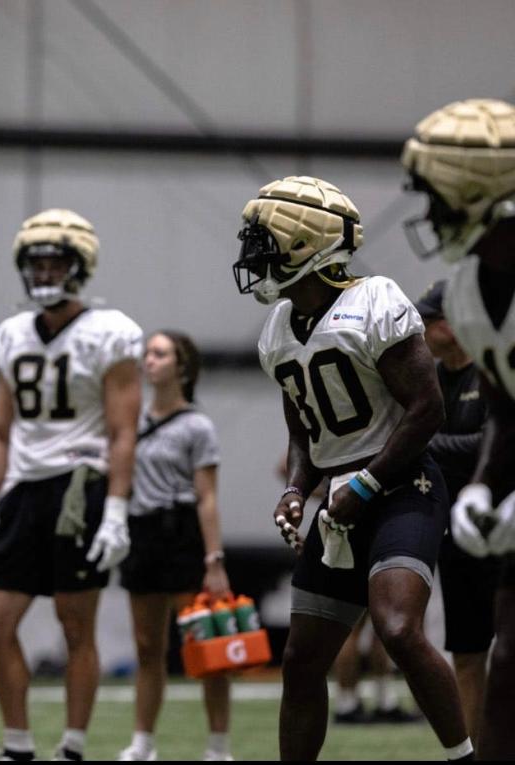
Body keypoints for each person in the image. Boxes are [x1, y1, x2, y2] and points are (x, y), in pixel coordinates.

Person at [232, 175, 471, 760]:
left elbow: (428, 409)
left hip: (401, 487)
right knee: (301, 660)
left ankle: (465, 756)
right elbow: (304, 430)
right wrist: (296, 487)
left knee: (397, 629)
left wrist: (365, 482)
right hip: (341, 499)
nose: (254, 254)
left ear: (306, 245)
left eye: (266, 241)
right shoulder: (278, 329)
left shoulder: (375, 300)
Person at [0, 208, 143, 761]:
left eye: (55, 261)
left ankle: (72, 746)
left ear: (79, 266)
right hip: (24, 490)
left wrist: (116, 510)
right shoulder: (12, 332)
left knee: (76, 627)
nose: (44, 272)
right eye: (36, 262)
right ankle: (19, 744)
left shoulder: (110, 332)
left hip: (80, 487)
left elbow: (123, 433)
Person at [401, 98, 515, 758]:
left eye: (440, 194)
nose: (431, 211)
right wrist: (485, 483)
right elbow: (507, 412)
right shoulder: (469, 290)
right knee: (504, 673)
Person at [115, 330, 232, 762]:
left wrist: (213, 559)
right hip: (142, 532)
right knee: (148, 646)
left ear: (181, 366)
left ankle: (218, 745)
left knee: (205, 648)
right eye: (147, 353)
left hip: (181, 532)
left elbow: (207, 498)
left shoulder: (197, 425)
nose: (149, 360)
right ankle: (143, 742)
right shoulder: (133, 420)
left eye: (160, 354)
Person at [414, 279, 493, 743]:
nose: (418, 331)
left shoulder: (492, 372)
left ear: (448, 325)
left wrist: (421, 444)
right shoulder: (431, 378)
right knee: (466, 650)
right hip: (455, 536)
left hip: (501, 527)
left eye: (425, 321)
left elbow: (490, 445)